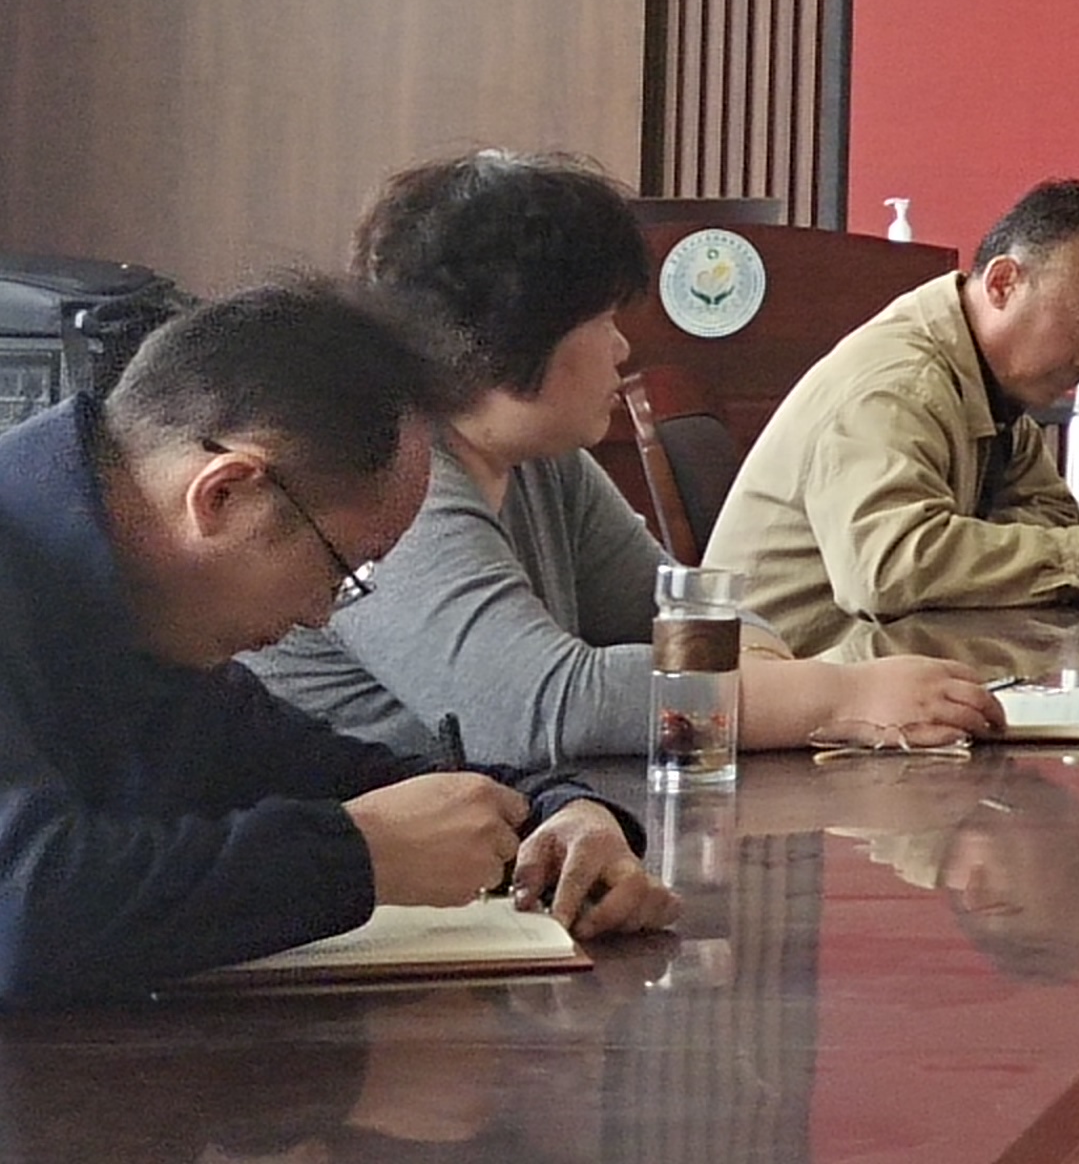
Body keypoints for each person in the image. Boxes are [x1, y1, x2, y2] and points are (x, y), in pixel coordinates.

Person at [0, 279, 672, 1010]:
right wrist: (358, 857)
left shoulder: (155, 617)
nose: (322, 616)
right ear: (223, 494)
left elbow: (341, 777)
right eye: (340, 569)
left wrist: (563, 815)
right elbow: (23, 913)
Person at [247, 152, 997, 766]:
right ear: (513, 332)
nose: (622, 346)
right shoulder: (386, 475)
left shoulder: (540, 459)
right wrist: (838, 698)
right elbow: (538, 706)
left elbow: (685, 612)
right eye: (602, 319)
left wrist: (759, 677)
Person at [708, 178, 1079, 654]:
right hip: (773, 686)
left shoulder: (991, 384)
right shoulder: (900, 384)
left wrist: (965, 549)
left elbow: (1054, 514)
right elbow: (887, 569)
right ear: (1003, 283)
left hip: (877, 670)